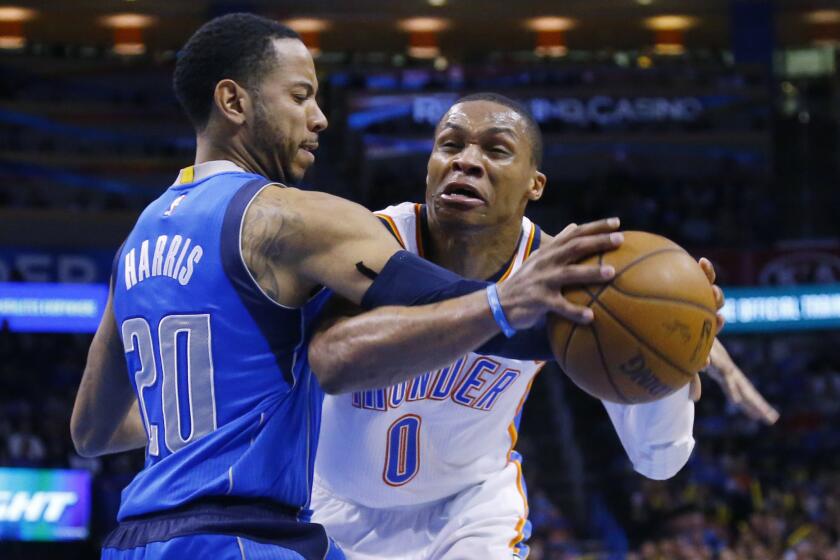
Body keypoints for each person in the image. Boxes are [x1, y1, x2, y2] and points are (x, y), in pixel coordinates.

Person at [69, 15, 629, 560]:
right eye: (300, 96)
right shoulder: (291, 217)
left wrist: (217, 415)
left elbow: (92, 430)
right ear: (234, 102)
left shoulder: (137, 242)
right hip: (242, 536)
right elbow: (437, 300)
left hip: (137, 538)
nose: (320, 119)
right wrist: (578, 315)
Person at [308, 93, 778, 559]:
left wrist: (674, 341)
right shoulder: (373, 244)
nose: (466, 162)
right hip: (330, 501)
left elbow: (660, 460)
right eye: (450, 146)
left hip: (467, 512)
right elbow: (331, 360)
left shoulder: (569, 280)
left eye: (495, 149)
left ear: (535, 185)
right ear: (429, 165)